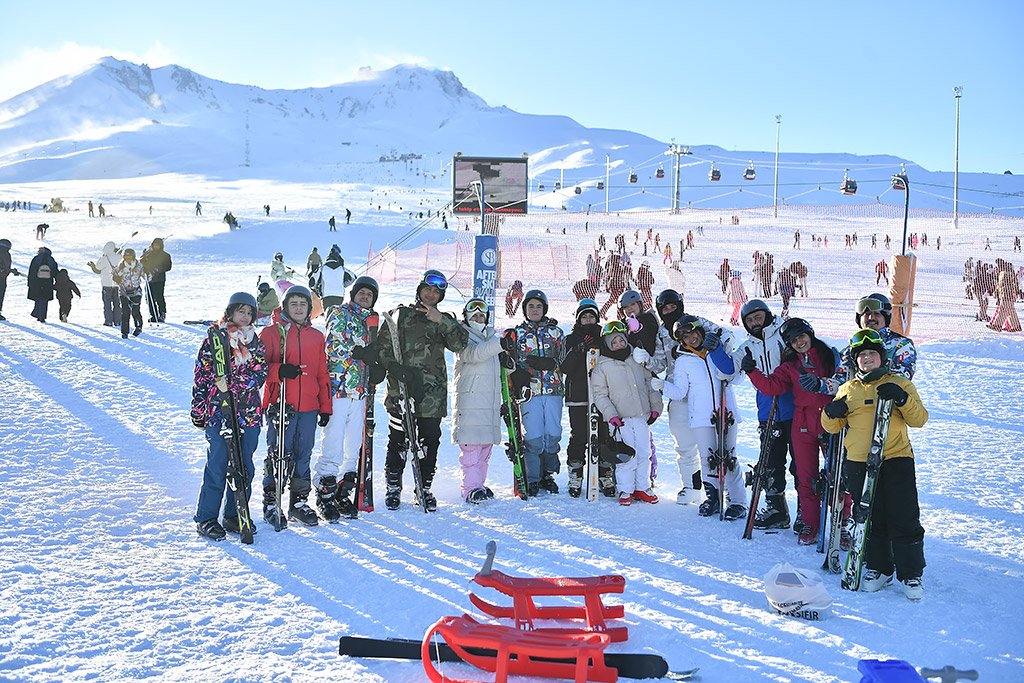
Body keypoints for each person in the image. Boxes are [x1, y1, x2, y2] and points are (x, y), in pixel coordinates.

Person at [821, 328, 929, 600]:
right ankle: (879, 568)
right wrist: (829, 413)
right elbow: (832, 427)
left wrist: (902, 399)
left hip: (895, 458)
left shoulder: (899, 383)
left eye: (872, 353)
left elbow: (919, 419)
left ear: (881, 357)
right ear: (855, 360)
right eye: (862, 355)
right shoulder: (848, 389)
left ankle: (910, 572)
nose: (867, 358)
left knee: (903, 515)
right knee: (870, 517)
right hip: (858, 462)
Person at [378, 269, 469, 511]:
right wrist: (394, 368)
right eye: (427, 289)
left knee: (430, 440)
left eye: (436, 292)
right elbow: (383, 347)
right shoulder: (401, 316)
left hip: (432, 393)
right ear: (419, 291)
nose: (431, 294)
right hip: (402, 390)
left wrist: (442, 321)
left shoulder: (443, 319)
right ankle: (393, 487)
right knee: (398, 439)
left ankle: (424, 487)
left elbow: (460, 343)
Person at [745, 318, 840, 546]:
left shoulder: (830, 356)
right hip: (803, 424)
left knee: (838, 474)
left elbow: (843, 381)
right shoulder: (790, 366)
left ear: (810, 334)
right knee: (806, 477)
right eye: (793, 340)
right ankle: (810, 523)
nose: (799, 342)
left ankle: (841, 523)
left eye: (802, 337)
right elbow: (771, 386)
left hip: (831, 420)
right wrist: (752, 371)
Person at [190, 292, 268, 541]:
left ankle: (235, 514)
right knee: (218, 465)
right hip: (219, 411)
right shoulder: (214, 339)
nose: (244, 316)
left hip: (249, 413)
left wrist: (233, 382)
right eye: (240, 311)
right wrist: (198, 410)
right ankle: (207, 517)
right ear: (231, 312)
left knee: (244, 466)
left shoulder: (255, 341)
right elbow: (201, 377)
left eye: (249, 312)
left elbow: (260, 373)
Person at [259, 285, 332, 527]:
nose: (299, 308)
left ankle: (298, 502)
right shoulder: (271, 333)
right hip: (281, 403)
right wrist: (280, 370)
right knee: (279, 451)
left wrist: (325, 406)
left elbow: (322, 373)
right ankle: (272, 500)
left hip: (309, 406)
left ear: (310, 309)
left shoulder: (316, 336)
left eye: (303, 304)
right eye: (294, 304)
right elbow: (257, 369)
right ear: (286, 306)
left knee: (304, 453)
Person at [721, 299, 797, 531]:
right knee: (771, 460)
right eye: (749, 320)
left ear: (767, 315)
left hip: (794, 405)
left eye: (758, 317)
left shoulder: (784, 333)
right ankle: (777, 509)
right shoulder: (747, 346)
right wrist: (715, 349)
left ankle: (806, 511)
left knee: (801, 461)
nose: (755, 323)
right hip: (767, 407)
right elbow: (728, 370)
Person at [661, 315, 746, 520]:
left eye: (692, 334)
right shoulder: (682, 361)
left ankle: (738, 501)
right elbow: (680, 392)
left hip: (726, 411)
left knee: (729, 457)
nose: (691, 339)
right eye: (685, 338)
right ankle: (713, 498)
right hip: (701, 416)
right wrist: (660, 386)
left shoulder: (717, 350)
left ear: (700, 331)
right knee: (709, 459)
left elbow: (736, 377)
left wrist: (740, 369)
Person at [313, 276, 382, 521]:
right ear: (353, 294)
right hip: (339, 388)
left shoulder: (373, 320)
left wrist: (377, 366)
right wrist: (358, 352)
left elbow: (375, 352)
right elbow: (331, 345)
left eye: (370, 295)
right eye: (361, 293)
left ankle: (343, 492)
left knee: (353, 446)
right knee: (333, 443)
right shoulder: (339, 312)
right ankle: (325, 495)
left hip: (360, 391)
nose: (365, 297)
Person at [590, 320, 662, 506]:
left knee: (644, 453)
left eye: (621, 341)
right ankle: (625, 488)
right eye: (614, 342)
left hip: (642, 416)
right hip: (621, 419)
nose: (619, 345)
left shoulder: (636, 359)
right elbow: (600, 394)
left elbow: (649, 383)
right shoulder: (603, 365)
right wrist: (611, 414)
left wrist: (655, 408)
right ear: (607, 344)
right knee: (626, 455)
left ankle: (642, 487)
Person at [505, 290, 566, 496]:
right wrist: (518, 374)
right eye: (530, 306)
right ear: (524, 310)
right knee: (533, 436)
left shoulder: (556, 333)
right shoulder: (518, 333)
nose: (534, 310)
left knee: (553, 434)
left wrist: (552, 363)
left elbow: (566, 360)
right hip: (529, 392)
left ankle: (548, 474)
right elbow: (509, 360)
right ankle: (532, 477)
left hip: (553, 390)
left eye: (538, 306)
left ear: (545, 309)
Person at [451, 297, 504, 503]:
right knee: (471, 450)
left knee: (484, 449)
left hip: (488, 404)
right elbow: (473, 355)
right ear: (466, 317)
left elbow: (498, 369)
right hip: (470, 403)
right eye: (474, 315)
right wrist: (499, 345)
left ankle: (479, 484)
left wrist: (508, 361)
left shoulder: (491, 338)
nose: (479, 318)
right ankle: (470, 488)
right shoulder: (461, 337)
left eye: (482, 315)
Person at [559, 299, 614, 497]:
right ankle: (575, 474)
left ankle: (604, 474)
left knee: (603, 436)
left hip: (601, 396)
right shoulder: (570, 339)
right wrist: (579, 349)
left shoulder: (603, 337)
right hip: (579, 396)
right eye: (585, 317)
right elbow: (564, 367)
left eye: (592, 316)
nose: (588, 320)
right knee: (580, 436)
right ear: (578, 319)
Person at [820, 294, 917, 395]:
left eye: (877, 314)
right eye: (866, 314)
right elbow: (839, 384)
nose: (871, 318)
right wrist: (820, 384)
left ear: (886, 318)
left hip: (887, 405)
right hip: (856, 406)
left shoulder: (901, 344)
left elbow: (902, 381)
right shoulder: (851, 349)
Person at [87, 241, 123, 326]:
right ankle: (118, 320)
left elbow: (97, 268)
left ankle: (108, 321)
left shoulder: (104, 258)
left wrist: (93, 264)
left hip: (106, 285)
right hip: (117, 284)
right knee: (117, 303)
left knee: (107, 304)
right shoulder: (120, 257)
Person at [113, 248, 146, 339]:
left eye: (130, 257)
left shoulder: (139, 266)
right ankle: (124, 332)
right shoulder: (120, 266)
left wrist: (148, 275)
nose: (128, 259)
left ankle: (138, 326)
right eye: (126, 257)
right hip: (124, 292)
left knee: (135, 311)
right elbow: (114, 274)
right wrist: (116, 278)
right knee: (125, 312)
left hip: (136, 291)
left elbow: (145, 276)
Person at [141, 238, 172, 322]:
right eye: (154, 245)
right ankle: (153, 315)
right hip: (149, 278)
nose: (155, 247)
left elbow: (168, 266)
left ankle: (162, 314)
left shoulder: (165, 255)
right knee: (149, 297)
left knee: (159, 297)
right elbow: (142, 264)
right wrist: (143, 258)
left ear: (161, 246)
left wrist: (157, 270)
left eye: (157, 245)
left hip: (159, 279)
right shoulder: (149, 254)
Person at [27, 246, 59, 323]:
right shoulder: (51, 259)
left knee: (38, 297)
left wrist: (30, 283)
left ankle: (37, 314)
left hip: (37, 281)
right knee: (44, 299)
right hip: (47, 282)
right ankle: (42, 316)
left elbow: (31, 271)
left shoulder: (36, 258)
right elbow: (55, 271)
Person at [988, 260, 1022, 332]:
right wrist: (996, 293)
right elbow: (999, 285)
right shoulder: (1001, 273)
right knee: (1010, 311)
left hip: (1008, 294)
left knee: (1003, 310)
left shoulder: (1008, 272)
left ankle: (997, 325)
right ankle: (1016, 326)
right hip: (1003, 294)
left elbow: (1015, 282)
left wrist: (1016, 292)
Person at [0, 238, 20, 321]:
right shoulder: (4, 253)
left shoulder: (5, 253)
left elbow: (6, 267)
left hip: (2, 276)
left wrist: (11, 270)